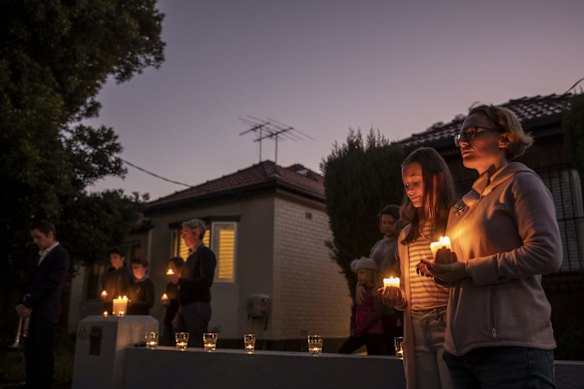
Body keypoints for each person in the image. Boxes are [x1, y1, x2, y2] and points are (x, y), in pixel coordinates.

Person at [421, 104, 562, 388]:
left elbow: (546, 254)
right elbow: (463, 273)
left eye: (473, 133)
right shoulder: (463, 206)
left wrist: (468, 268)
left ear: (504, 139)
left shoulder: (521, 183)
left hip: (512, 348)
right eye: (460, 136)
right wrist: (443, 271)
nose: (463, 141)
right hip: (460, 352)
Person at [380, 147, 457, 389]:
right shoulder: (406, 235)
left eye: (416, 182)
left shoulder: (457, 222)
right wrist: (397, 299)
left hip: (449, 319)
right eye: (406, 185)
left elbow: (467, 275)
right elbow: (407, 290)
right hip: (415, 323)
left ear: (437, 179)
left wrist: (446, 270)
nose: (410, 190)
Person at [15, 220, 70, 389]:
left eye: (38, 237)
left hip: (45, 312)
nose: (35, 241)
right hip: (33, 310)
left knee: (43, 355)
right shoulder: (40, 255)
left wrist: (30, 303)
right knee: (31, 354)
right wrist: (21, 302)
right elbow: (30, 282)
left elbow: (51, 284)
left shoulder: (60, 255)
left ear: (50, 235)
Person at [167, 219, 217, 347]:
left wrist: (180, 281)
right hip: (186, 308)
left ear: (196, 233)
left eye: (185, 232)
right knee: (182, 347)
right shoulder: (190, 257)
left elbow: (205, 282)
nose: (182, 236)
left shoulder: (205, 254)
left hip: (197, 307)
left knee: (194, 346)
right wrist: (179, 312)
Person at [368, 204, 408, 353]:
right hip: (377, 300)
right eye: (384, 223)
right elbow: (369, 270)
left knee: (395, 342)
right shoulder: (377, 245)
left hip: (394, 299)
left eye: (390, 223)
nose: (386, 226)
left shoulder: (402, 243)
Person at [339, 257, 387, 355]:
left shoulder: (376, 291)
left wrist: (360, 329)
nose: (358, 276)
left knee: (374, 357)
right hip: (359, 331)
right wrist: (353, 329)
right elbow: (354, 311)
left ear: (370, 274)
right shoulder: (360, 291)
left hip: (374, 333)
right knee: (343, 351)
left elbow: (376, 313)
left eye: (362, 273)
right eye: (357, 273)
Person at [101, 247, 132, 313]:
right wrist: (104, 296)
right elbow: (104, 290)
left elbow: (130, 293)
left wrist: (114, 297)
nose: (112, 260)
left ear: (122, 258)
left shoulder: (127, 274)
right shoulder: (110, 275)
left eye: (115, 257)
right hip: (109, 308)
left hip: (122, 310)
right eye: (111, 258)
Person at [161, 256, 184, 345]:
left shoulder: (183, 283)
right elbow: (169, 298)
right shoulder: (170, 285)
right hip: (168, 318)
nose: (170, 270)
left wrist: (177, 315)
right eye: (169, 268)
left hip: (177, 319)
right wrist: (165, 302)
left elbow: (181, 300)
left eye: (173, 268)